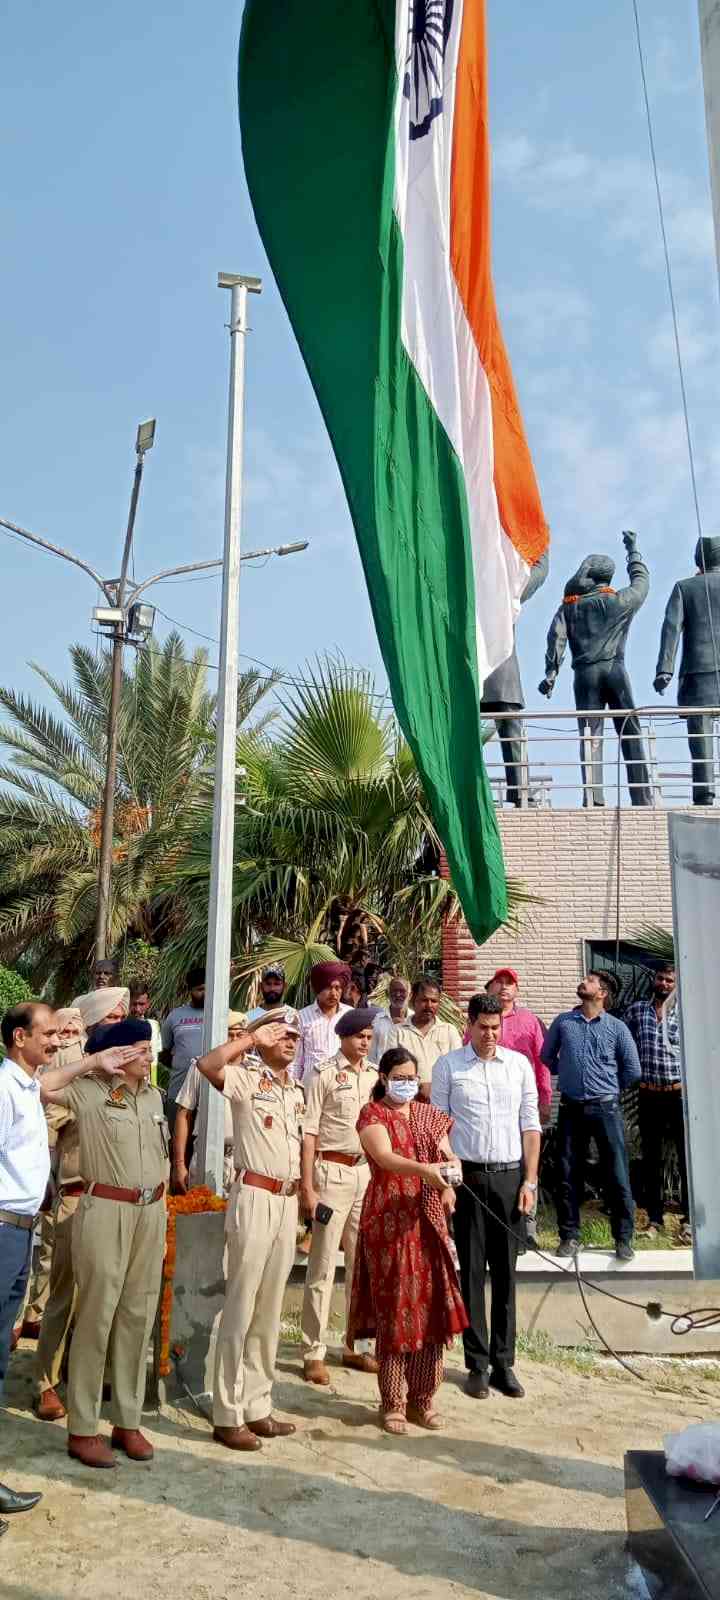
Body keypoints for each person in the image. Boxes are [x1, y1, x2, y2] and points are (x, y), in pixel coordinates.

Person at [42, 1019, 168, 1467]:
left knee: (138, 1315)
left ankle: (127, 1421)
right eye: (140, 1047)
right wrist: (92, 1061)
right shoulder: (91, 1090)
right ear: (118, 1054)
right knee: (96, 1315)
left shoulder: (154, 1097)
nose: (150, 1054)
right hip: (104, 1210)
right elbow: (40, 1084)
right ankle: (82, 1427)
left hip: (151, 1213)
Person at [197, 1009, 304, 1452]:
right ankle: (227, 1413)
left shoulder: (296, 1090)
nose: (290, 1040)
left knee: (269, 1308)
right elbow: (207, 1065)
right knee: (241, 1305)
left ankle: (258, 1404)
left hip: (287, 1200)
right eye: (281, 1032)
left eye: (295, 1034)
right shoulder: (246, 1079)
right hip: (255, 1196)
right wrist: (250, 1040)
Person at [347, 1047, 467, 1435]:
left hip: (428, 1221)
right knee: (396, 1309)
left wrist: (450, 1178)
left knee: (430, 1308)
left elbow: (449, 1156)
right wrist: (427, 1171)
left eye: (412, 1076)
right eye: (399, 1076)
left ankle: (423, 1400)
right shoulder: (372, 1114)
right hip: (388, 1223)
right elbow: (384, 1157)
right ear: (383, 1077)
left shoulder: (428, 1114)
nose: (407, 1083)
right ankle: (393, 1402)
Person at [433, 994, 541, 1401]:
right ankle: (476, 1364)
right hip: (468, 1179)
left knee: (507, 1274)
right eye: (483, 1026)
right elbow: (439, 1128)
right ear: (470, 1024)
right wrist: (447, 1180)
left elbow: (530, 1126)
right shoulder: (449, 1066)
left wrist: (529, 1183)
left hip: (510, 1178)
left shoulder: (518, 1066)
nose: (490, 1034)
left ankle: (504, 1363)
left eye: (496, 1027)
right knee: (472, 1273)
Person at [300, 1007, 379, 1385]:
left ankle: (356, 1346)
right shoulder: (323, 1074)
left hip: (365, 1172)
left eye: (369, 1037)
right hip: (330, 1172)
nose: (365, 1042)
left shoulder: (376, 1077)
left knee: (361, 1266)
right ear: (343, 1036)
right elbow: (309, 1132)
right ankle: (313, 1351)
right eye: (359, 1036)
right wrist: (307, 1185)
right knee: (323, 1266)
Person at [0, 1003, 56, 1534]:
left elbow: (58, 1077)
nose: (55, 1040)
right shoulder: (3, 1088)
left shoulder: (26, 1086)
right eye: (47, 1033)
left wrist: (96, 1061)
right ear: (21, 1037)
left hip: (20, 1229)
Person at [541, 971, 641, 1261]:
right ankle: (569, 1236)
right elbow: (547, 1058)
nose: (584, 982)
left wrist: (609, 1087)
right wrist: (571, 1072)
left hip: (606, 1109)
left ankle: (623, 1238)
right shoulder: (563, 1023)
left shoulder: (617, 1028)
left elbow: (632, 1069)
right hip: (571, 1108)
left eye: (591, 980)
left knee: (617, 1173)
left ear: (602, 993)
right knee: (568, 1173)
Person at [33, 1007, 86, 1422]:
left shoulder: (135, 1091)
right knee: (62, 1296)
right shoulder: (74, 1086)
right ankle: (46, 1382)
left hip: (113, 1206)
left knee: (97, 1300)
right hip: (73, 1196)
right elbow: (46, 1135)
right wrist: (46, 1187)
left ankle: (82, 1373)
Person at [654, 535, 720, 805]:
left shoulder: (685, 587)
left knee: (701, 735)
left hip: (697, 672)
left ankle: (704, 793)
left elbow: (671, 628)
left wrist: (664, 670)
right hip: (700, 672)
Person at [625, 965, 689, 1242]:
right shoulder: (637, 1011)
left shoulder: (687, 1012)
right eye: (660, 978)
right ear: (654, 980)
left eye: (669, 980)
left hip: (678, 1095)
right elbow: (621, 1042)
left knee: (687, 1158)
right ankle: (654, 1219)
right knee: (652, 1159)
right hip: (648, 1094)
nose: (663, 983)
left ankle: (689, 1220)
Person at [172, 1013, 247, 1196]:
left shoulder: (255, 1070)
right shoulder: (200, 1066)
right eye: (230, 1034)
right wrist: (179, 1165)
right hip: (206, 1155)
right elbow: (184, 1114)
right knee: (202, 1216)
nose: (234, 1040)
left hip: (242, 1161)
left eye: (240, 1035)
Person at [483, 970, 552, 1122]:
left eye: (509, 983)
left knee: (524, 1143)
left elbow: (541, 1062)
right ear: (491, 987)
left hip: (523, 1097)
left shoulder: (530, 1020)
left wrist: (545, 1100)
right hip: (487, 1096)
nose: (504, 987)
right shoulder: (480, 1020)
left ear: (517, 991)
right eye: (499, 982)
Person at [385, 978, 461, 1100]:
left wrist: (434, 1088)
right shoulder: (398, 1031)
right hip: (409, 1100)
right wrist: (419, 1087)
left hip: (444, 1100)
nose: (429, 1005)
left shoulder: (449, 1031)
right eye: (424, 1000)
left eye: (434, 1001)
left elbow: (458, 1068)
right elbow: (392, 1069)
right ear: (413, 1000)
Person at [159, 967, 205, 1134]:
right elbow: (163, 1053)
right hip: (179, 1091)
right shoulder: (175, 1016)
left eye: (208, 988)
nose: (205, 993)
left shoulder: (221, 1014)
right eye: (200, 989)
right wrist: (184, 1066)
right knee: (177, 1144)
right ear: (190, 990)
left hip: (210, 1092)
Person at [295, 963, 351, 1092]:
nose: (333, 993)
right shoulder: (301, 1017)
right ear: (317, 988)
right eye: (328, 987)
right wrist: (296, 1089)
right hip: (311, 1086)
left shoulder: (350, 1015)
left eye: (338, 988)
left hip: (344, 1085)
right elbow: (296, 1062)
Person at [368, 976, 410, 1064]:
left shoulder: (415, 1020)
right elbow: (371, 1054)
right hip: (383, 1074)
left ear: (410, 994)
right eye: (394, 991)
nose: (398, 995)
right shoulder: (377, 1020)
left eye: (402, 991)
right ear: (388, 994)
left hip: (409, 1075)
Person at [129, 985, 161, 1082]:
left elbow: (155, 1058)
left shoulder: (154, 1026)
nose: (137, 1009)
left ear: (148, 1004)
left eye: (141, 1004)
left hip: (150, 1084)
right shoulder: (120, 1026)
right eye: (134, 1004)